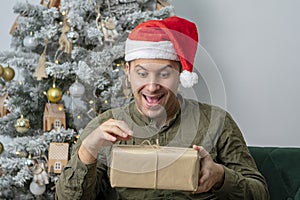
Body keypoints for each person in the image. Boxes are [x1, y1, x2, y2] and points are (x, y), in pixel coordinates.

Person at [55, 16, 269, 199]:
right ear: (127, 72)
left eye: (164, 74)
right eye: (142, 73)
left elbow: (260, 193)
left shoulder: (216, 121)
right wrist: (88, 151)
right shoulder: (103, 128)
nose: (152, 85)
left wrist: (220, 176)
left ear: (179, 75)